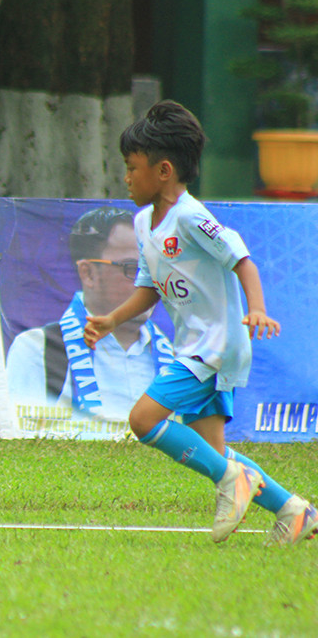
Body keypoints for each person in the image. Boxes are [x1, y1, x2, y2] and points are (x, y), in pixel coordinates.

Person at [84, 100, 317, 544]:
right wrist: (112, 319)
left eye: (132, 167)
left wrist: (258, 308)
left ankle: (233, 481)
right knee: (214, 453)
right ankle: (293, 509)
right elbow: (150, 285)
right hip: (193, 343)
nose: (127, 176)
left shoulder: (190, 216)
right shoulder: (141, 221)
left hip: (214, 346)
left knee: (143, 420)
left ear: (164, 171)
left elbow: (241, 258)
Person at [5, 206, 174, 426]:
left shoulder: (177, 355)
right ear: (88, 273)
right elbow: (23, 438)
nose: (150, 282)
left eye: (154, 268)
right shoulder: (38, 350)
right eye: (134, 268)